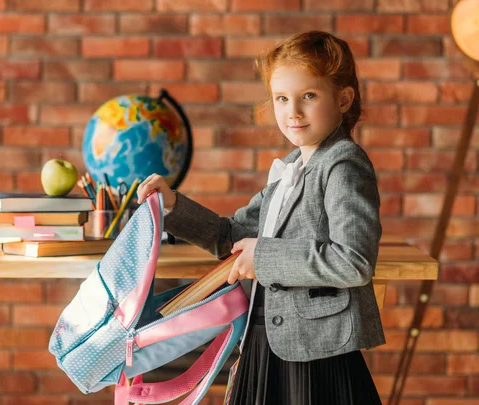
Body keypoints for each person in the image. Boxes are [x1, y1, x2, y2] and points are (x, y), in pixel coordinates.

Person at [136, 31, 384, 405]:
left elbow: (354, 261)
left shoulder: (343, 164)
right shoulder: (290, 168)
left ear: (344, 99)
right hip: (267, 341)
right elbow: (231, 235)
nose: (293, 111)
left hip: (315, 355)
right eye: (282, 99)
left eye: (309, 96)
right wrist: (172, 206)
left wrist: (263, 257)